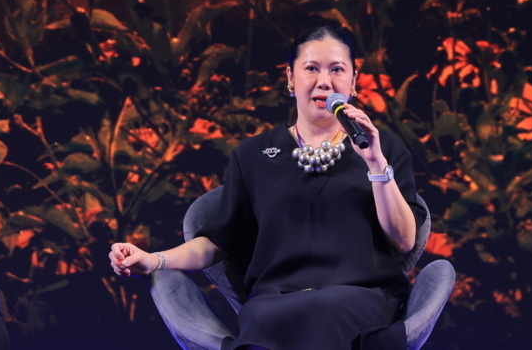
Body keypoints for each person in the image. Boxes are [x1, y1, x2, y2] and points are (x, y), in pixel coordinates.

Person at [109, 26, 426, 350]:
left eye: (337, 69)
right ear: (291, 78)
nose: (324, 81)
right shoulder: (253, 155)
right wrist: (154, 259)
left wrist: (375, 163)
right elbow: (217, 243)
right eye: (311, 68)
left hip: (360, 297)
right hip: (275, 301)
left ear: (353, 81)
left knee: (323, 311)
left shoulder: (383, 148)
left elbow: (404, 241)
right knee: (263, 317)